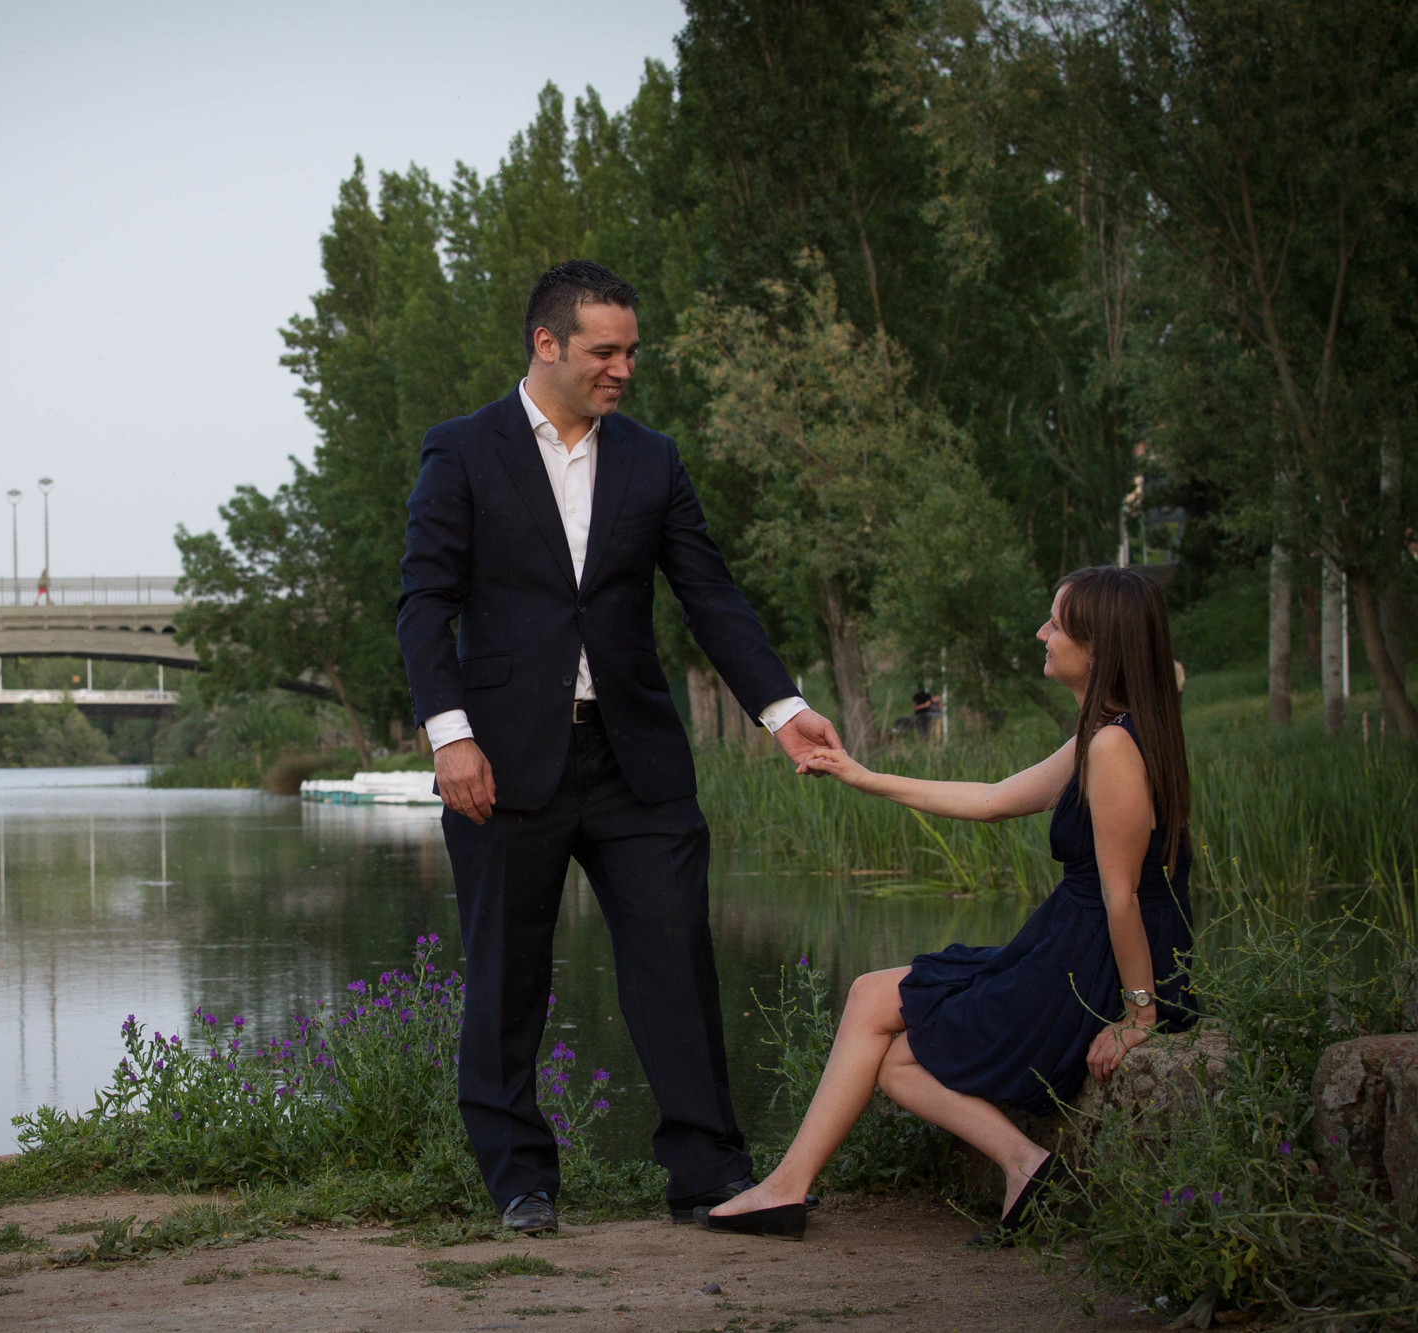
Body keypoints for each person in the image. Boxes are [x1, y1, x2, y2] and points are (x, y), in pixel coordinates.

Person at [398, 260, 844, 1235]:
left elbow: (709, 595)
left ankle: (708, 1175)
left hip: (634, 758)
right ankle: (520, 1181)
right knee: (507, 972)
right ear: (545, 344)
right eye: (605, 350)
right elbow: (423, 606)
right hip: (503, 761)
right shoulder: (461, 452)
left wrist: (781, 709)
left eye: (630, 350)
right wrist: (451, 737)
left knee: (675, 963)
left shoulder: (651, 459)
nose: (623, 369)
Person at [699, 565, 1195, 1243]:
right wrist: (861, 776)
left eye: (1056, 622)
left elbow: (1123, 893)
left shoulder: (1112, 746)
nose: (1042, 632)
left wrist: (1140, 1013)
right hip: (1069, 946)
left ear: (1098, 647)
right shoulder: (1109, 730)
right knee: (900, 1060)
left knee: (874, 998)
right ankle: (1027, 1165)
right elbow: (992, 800)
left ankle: (785, 1188)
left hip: (1091, 964)